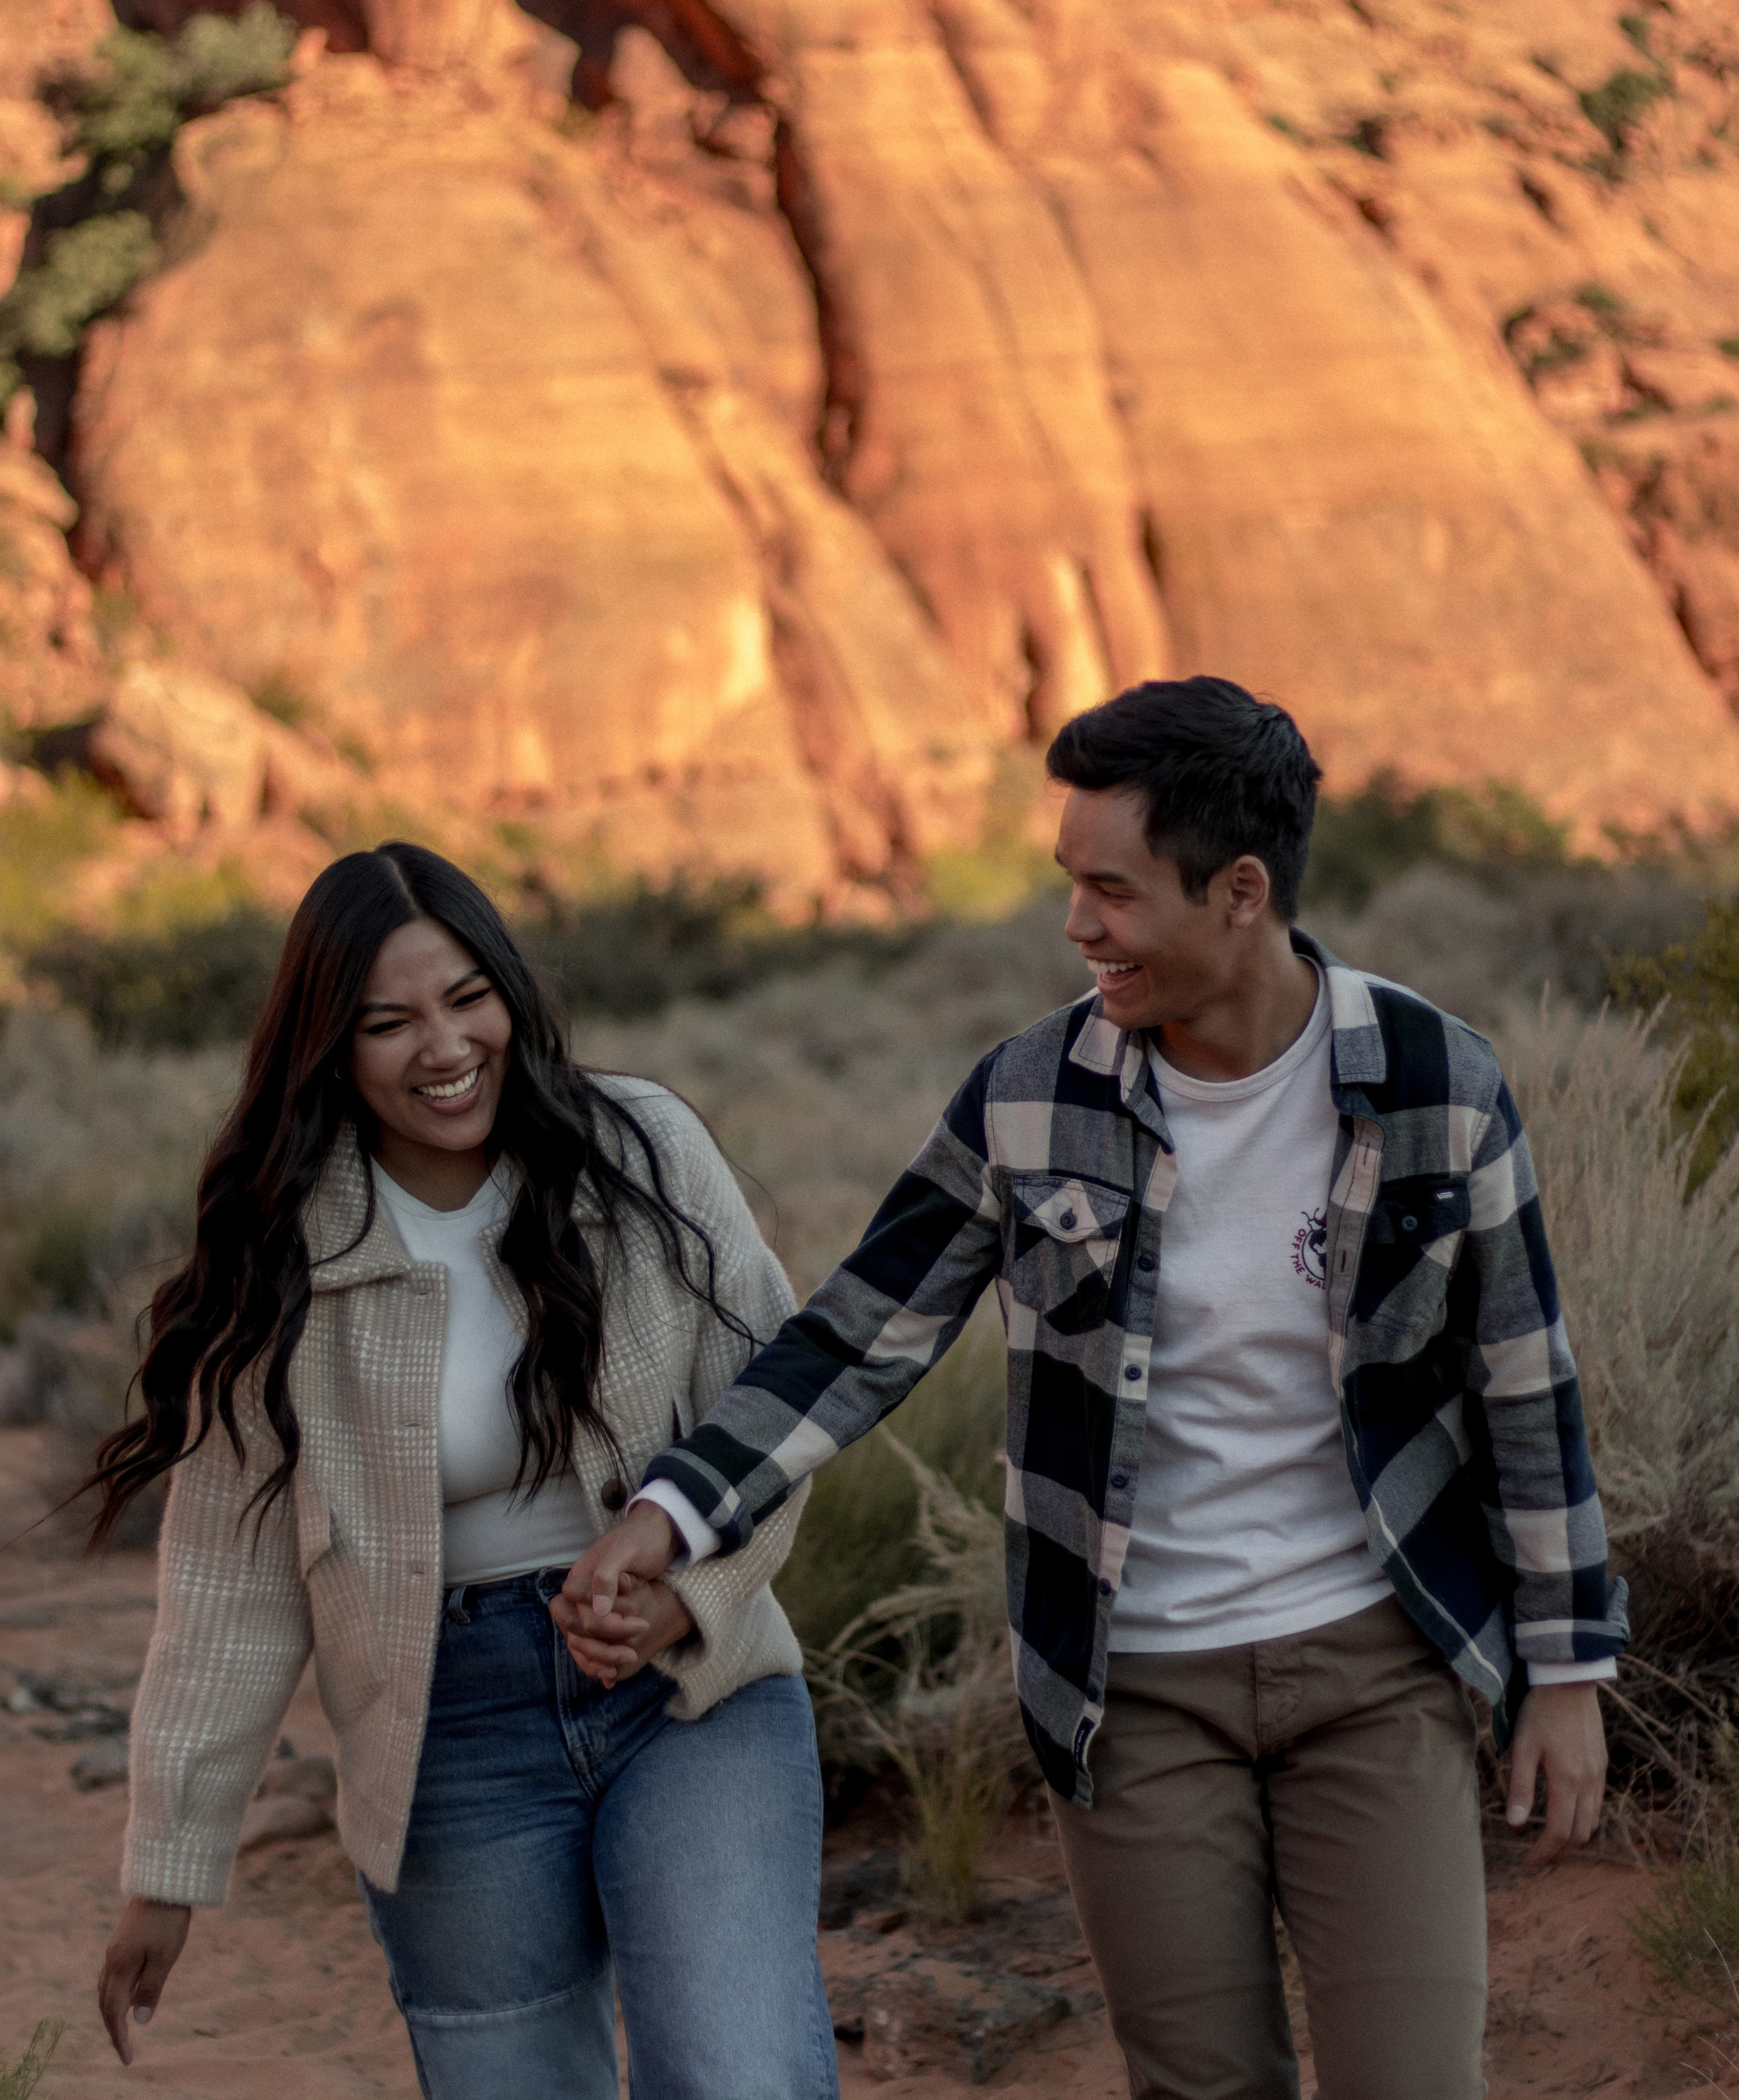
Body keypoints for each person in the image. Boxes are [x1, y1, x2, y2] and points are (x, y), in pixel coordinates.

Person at [564, 678, 1625, 2100]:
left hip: (1375, 1671)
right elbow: (856, 1333)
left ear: (1238, 890)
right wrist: (674, 1512)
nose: (1076, 924)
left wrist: (1564, 1671)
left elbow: (1522, 1383)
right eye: (1069, 883)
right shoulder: (1027, 1097)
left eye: (1110, 891)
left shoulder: (1434, 1081)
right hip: (1132, 1689)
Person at [89, 842, 838, 2100]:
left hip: (691, 1687)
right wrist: (168, 1868)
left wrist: (689, 1594)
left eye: (466, 997)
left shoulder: (639, 1147)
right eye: (388, 1021)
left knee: (737, 2070)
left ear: (511, 991)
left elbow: (773, 1405)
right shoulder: (284, 1251)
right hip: (443, 1728)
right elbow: (227, 1582)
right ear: (328, 1043)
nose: (442, 1046)